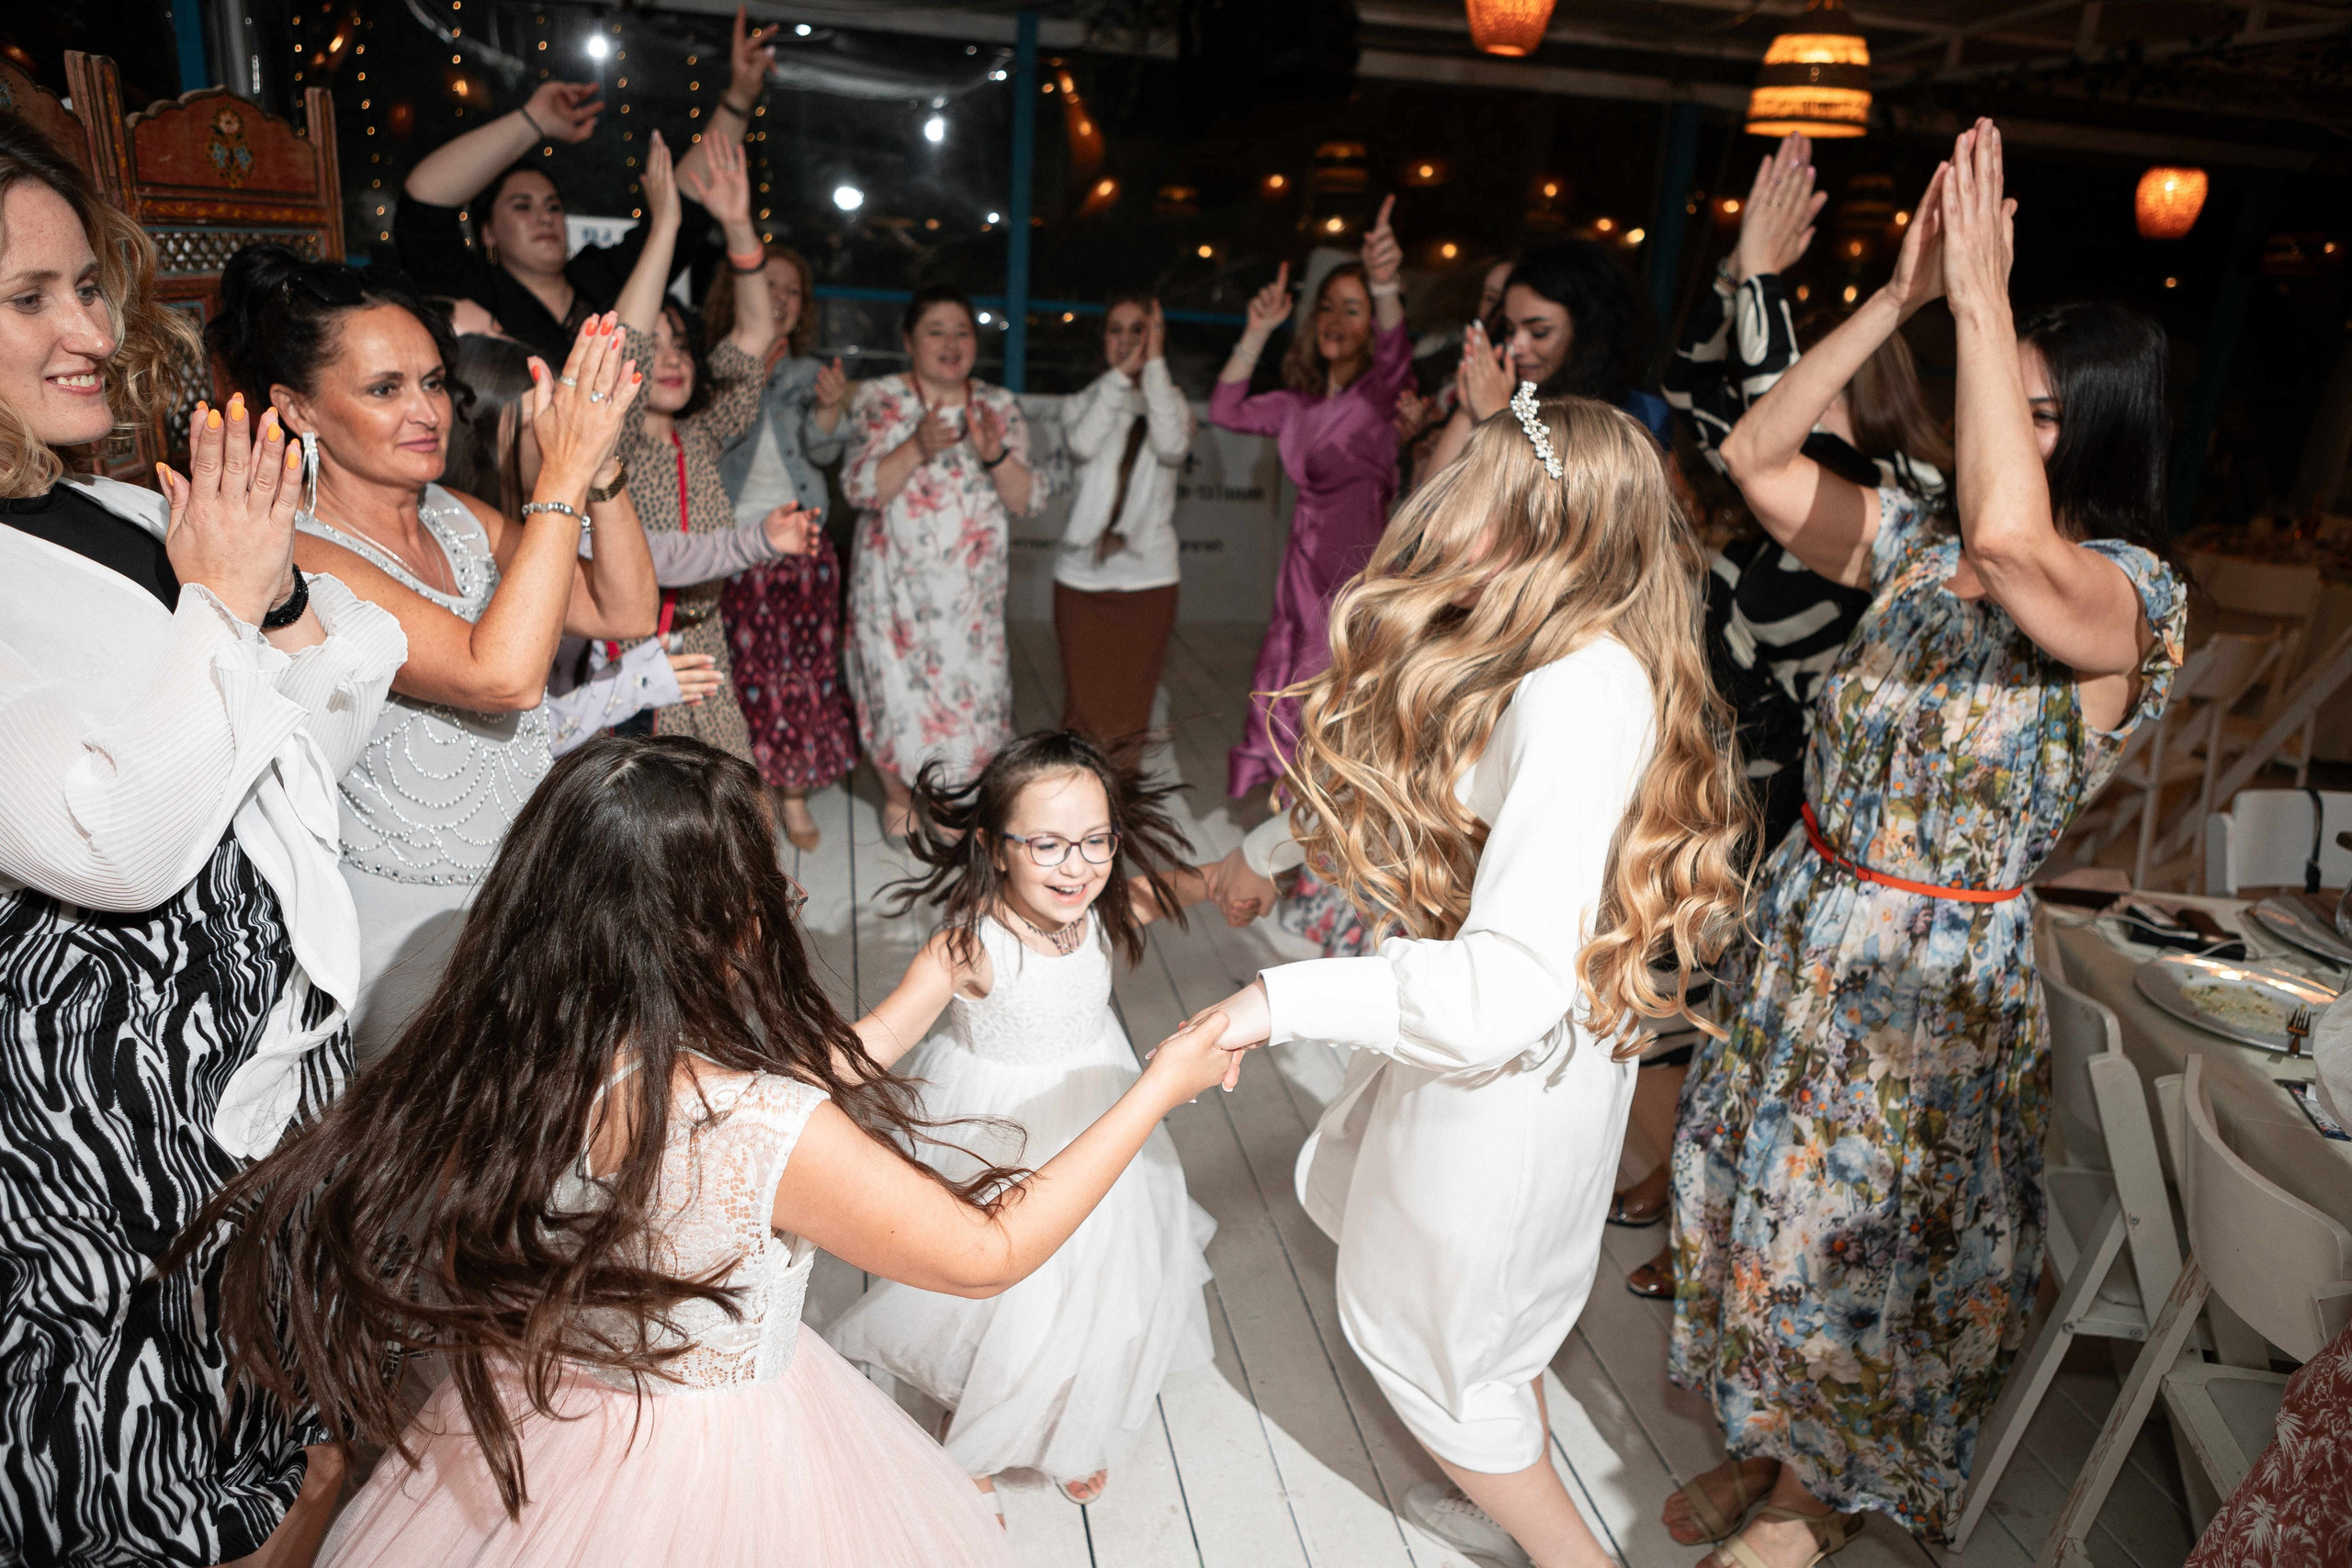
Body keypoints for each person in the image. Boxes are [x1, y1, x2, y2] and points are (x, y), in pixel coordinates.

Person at [170, 735, 1249, 1565]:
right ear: (719, 918)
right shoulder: (755, 1125)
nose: (778, 899)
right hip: (724, 1465)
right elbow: (988, 1253)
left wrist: (919, 995)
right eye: (759, 881)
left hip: (560, 1428)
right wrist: (1160, 1084)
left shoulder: (509, 1052)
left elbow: (807, 1080)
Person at [1666, 123, 2188, 1565]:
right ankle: (1775, 1446)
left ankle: (1815, 1495)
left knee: (1863, 1240)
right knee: (1760, 1194)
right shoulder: (1910, 535)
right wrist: (1900, 297)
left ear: (2096, 430)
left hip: (1928, 976)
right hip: (1812, 917)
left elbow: (2022, 554)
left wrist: (1986, 298)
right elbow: (1756, 452)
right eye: (1993, 394)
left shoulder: (2130, 597)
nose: (1986, 422)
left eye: (2027, 409)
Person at [1196, 389, 1750, 1568]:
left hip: (1501, 1080)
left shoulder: (1576, 692)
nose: (1439, 526)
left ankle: (1565, 1554)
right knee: (1484, 1342)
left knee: (1439, 1347)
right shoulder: (1545, 656)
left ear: (1556, 534)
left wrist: (1277, 999)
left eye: (1474, 505)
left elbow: (1503, 988)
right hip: (1502, 1071)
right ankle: (1528, 1506)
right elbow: (1434, 780)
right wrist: (1262, 854)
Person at [0, 113, 406, 1564]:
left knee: (285, 1428)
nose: (87, 328)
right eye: (28, 297)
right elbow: (111, 837)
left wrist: (274, 603)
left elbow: (325, 715)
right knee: (153, 1479)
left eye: (87, 285)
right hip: (107, 1120)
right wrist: (232, 608)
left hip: (250, 1057)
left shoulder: (112, 501)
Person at [1618, 133, 1953, 1304]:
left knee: (1730, 1033)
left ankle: (1698, 1230)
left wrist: (1766, 286)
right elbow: (1692, 391)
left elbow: (1765, 422)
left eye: (1818, 384)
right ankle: (1669, 1179)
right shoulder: (1781, 517)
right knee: (1668, 1010)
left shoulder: (1904, 514)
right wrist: (1733, 277)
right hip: (1719, 798)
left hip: (1803, 818)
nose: (1788, 406)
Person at [208, 246, 654, 1062]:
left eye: (433, 382)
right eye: (385, 389)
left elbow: (620, 606)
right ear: (297, 408)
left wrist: (602, 462)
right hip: (410, 926)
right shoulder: (299, 549)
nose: (428, 412)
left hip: (526, 888)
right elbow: (504, 675)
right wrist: (561, 470)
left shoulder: (457, 514)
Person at [826, 730, 1218, 1508]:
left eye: (1095, 841)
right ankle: (980, 1421)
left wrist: (1223, 877)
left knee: (1103, 1280)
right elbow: (880, 1040)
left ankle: (1063, 1420)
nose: (1077, 865)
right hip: (997, 1131)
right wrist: (797, 1071)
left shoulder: (1094, 903)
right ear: (994, 846)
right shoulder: (970, 945)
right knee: (1002, 1293)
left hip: (1097, 1112)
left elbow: (1151, 891)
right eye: (1047, 844)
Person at [443, 329, 807, 751]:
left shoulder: (565, 518)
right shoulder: (453, 540)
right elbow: (515, 728)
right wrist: (631, 684)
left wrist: (599, 467)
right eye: (543, 419)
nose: (567, 431)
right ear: (479, 440)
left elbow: (637, 606)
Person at [393, 8, 779, 367]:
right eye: (522, 207)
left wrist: (739, 99)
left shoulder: (601, 280)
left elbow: (687, 203)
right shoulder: (476, 293)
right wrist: (533, 121)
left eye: (554, 206)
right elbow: (424, 202)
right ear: (487, 231)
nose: (545, 217)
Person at [608, 130, 817, 772]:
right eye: (658, 344)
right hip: (625, 658)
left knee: (729, 795)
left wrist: (736, 224)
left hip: (705, 647)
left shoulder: (702, 432)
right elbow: (624, 342)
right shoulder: (610, 444)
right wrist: (666, 226)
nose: (669, 357)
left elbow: (755, 330)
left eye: (682, 346)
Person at [1209, 195, 1410, 799]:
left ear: (1371, 327)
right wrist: (1257, 329)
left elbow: (1399, 353)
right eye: (1327, 308)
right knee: (1290, 689)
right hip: (1300, 571)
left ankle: (1323, 831)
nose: (1335, 320)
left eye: (1353, 311)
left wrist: (1384, 286)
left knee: (1337, 701)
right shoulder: (1297, 406)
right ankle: (1292, 818)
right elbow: (1226, 408)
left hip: (1352, 575)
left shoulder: (1380, 398)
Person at [842, 285, 1046, 835]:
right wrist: (916, 446)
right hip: (892, 592)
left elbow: (1029, 499)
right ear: (909, 340)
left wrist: (995, 455)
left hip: (969, 601)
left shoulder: (999, 406)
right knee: (889, 691)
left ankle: (961, 801)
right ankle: (898, 796)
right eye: (936, 330)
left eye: (962, 331)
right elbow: (860, 488)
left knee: (975, 698)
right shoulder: (880, 399)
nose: (951, 343)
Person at [709, 242, 859, 850]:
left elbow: (824, 452)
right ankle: (747, 792)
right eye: (769, 285)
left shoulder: (808, 371)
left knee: (804, 674)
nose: (782, 299)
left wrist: (828, 410)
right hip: (736, 548)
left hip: (806, 548)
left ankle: (793, 791)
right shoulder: (716, 365)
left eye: (793, 291)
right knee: (744, 676)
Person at [1052, 295, 1195, 756]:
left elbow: (1172, 446)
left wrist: (1153, 367)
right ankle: (1078, 806)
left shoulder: (1170, 405)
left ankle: (1120, 815)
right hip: (1080, 579)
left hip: (1149, 579)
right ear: (1103, 339)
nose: (1128, 340)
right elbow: (1082, 444)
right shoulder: (1082, 402)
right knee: (1082, 710)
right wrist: (1118, 380)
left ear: (1157, 338)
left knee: (1133, 713)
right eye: (1117, 329)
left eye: (1141, 330)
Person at [1425, 240, 1672, 478]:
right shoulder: (1509, 393)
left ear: (1587, 334)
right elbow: (1430, 507)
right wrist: (1467, 409)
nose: (1516, 346)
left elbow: (1556, 504)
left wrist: (1496, 417)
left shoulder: (1638, 416)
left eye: (1539, 332)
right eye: (1510, 330)